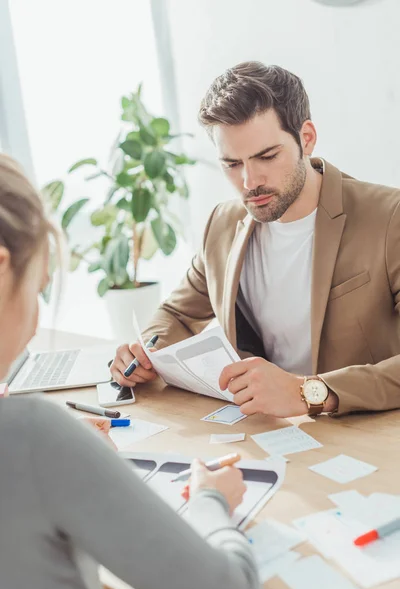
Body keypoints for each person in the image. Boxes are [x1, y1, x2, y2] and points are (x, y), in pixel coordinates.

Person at [0, 154, 261, 589]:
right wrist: (210, 499)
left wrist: (70, 455)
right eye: (38, 286)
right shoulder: (29, 435)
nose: (35, 315)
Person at [111, 60, 400, 419]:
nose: (249, 181)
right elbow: (177, 315)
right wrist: (144, 352)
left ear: (306, 138)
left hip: (368, 432)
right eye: (231, 164)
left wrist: (309, 392)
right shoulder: (222, 223)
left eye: (267, 156)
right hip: (268, 432)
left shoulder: (390, 216)